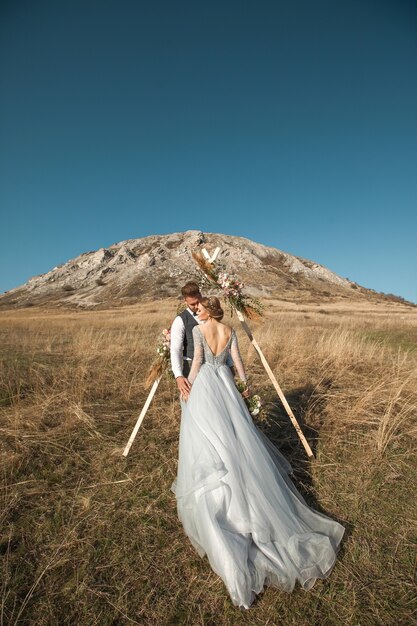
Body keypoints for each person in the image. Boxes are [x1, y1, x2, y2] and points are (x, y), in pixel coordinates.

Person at [171, 296, 345, 609]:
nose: (197, 311)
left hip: (208, 389)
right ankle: (245, 491)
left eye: (201, 308)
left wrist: (189, 389)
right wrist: (245, 388)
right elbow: (238, 365)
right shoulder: (229, 331)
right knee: (238, 440)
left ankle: (226, 505)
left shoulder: (200, 330)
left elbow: (196, 361)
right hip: (226, 387)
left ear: (208, 310)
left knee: (213, 442)